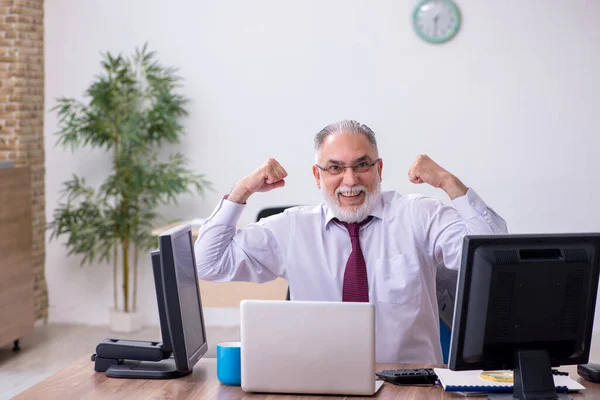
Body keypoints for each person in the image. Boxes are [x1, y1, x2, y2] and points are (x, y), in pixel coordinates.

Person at [195, 120, 507, 363]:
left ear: (379, 169)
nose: (350, 179)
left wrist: (450, 184)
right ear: (318, 177)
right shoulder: (292, 228)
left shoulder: (418, 215)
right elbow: (208, 263)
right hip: (321, 383)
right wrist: (241, 192)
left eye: (362, 165)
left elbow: (494, 260)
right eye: (334, 168)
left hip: (412, 385)